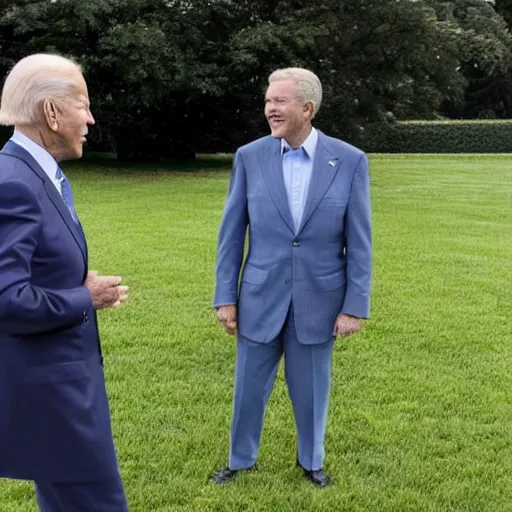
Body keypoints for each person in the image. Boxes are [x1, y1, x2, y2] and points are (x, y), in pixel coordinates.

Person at [211, 68, 372, 487]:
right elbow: (231, 235)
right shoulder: (249, 156)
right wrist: (225, 298)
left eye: (279, 101)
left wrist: (355, 306)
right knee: (248, 389)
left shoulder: (350, 160)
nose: (270, 108)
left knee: (312, 391)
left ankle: (312, 462)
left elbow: (360, 241)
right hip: (259, 296)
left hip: (320, 300)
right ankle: (240, 459)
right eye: (268, 101)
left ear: (307, 108)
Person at [0, 54, 129, 511]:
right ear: (51, 113)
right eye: (83, 104)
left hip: (63, 385)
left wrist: (73, 281)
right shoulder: (14, 182)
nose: (91, 118)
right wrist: (84, 296)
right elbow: (6, 300)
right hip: (54, 398)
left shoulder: (40, 174)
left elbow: (31, 269)